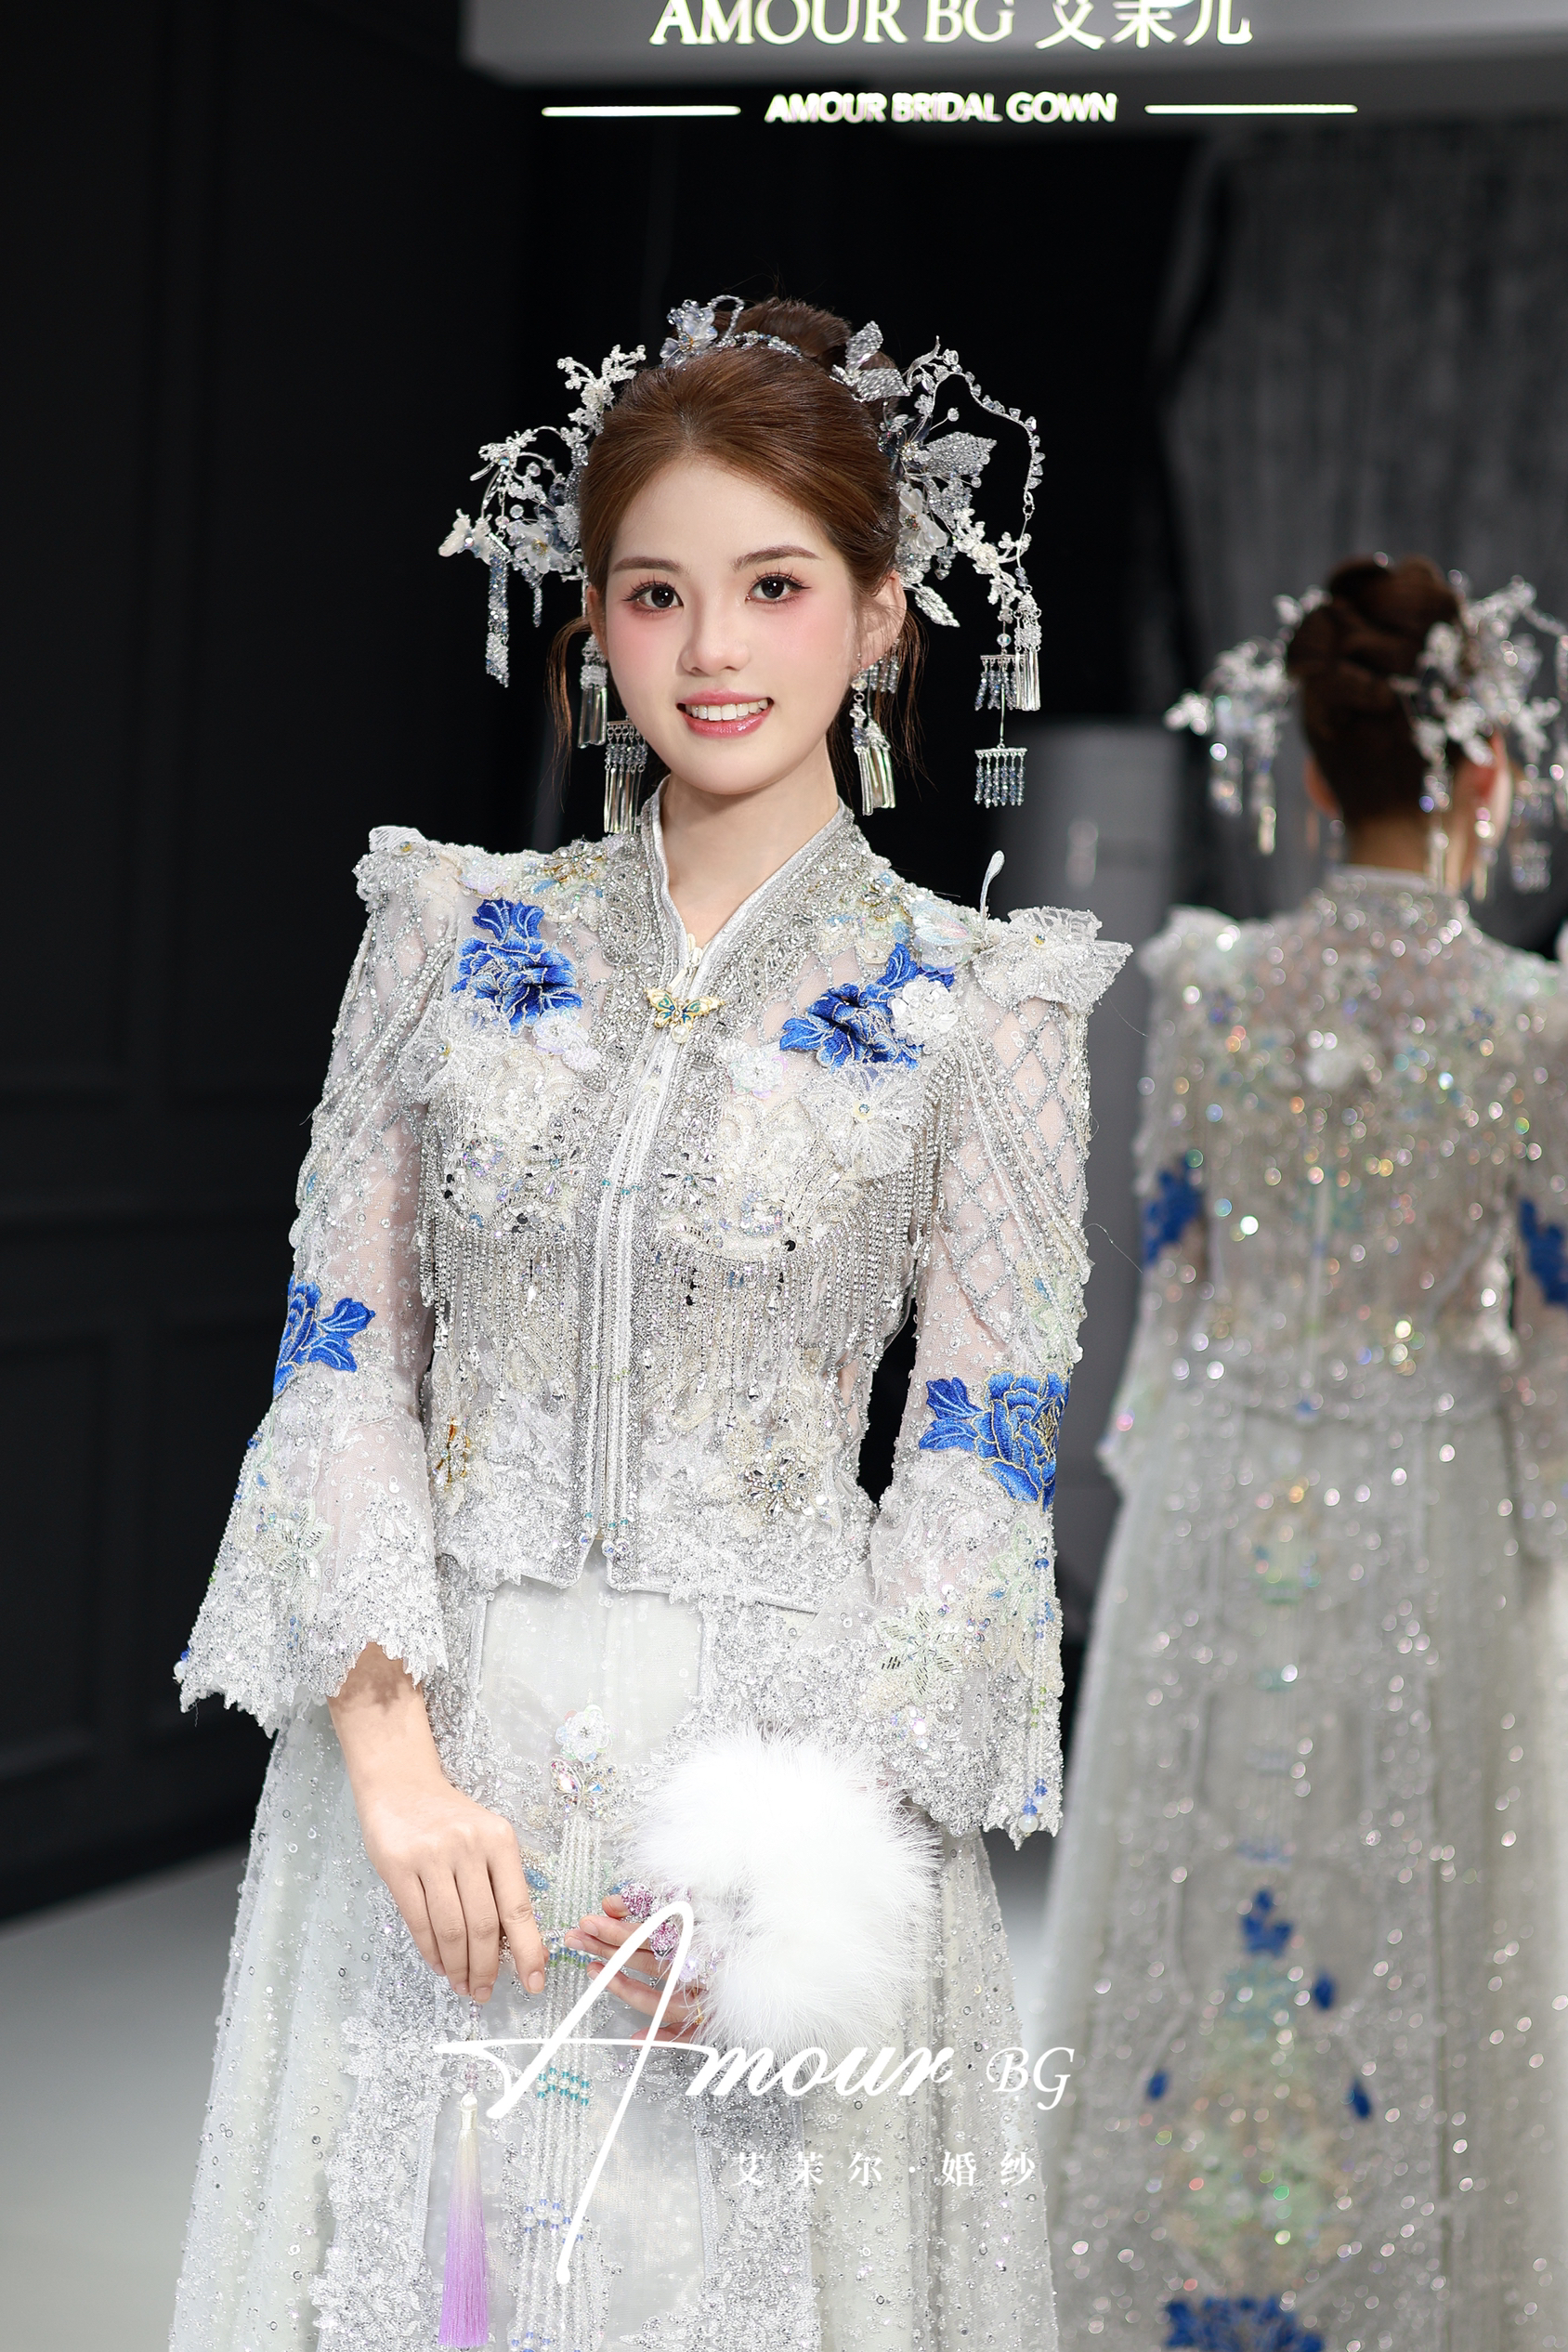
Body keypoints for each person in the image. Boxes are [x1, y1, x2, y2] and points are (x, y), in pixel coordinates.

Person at [169, 295, 1127, 2351]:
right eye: (654, 591)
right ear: (590, 620)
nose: (710, 649)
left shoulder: (987, 1007)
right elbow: (336, 1362)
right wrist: (393, 1765)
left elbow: (977, 1467)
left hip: (774, 1797)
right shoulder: (449, 934)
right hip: (444, 1780)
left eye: (773, 587)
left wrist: (805, 1872)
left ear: (882, 616)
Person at [1037, 554, 1568, 2352]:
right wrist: (1544, 1520)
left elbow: (1166, 1267)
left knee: (1197, 1899)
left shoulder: (1209, 981)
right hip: (1433, 1499)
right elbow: (1553, 1329)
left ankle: (1168, 2294)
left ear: (1312, 772)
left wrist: (1159, 1451)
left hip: (1216, 1488)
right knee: (1410, 1908)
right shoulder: (1532, 1020)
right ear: (1485, 765)